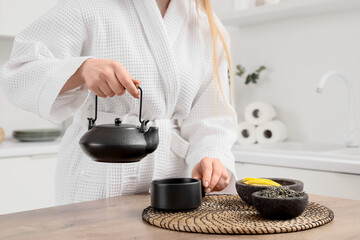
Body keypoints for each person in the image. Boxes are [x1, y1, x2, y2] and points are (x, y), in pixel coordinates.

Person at [0, 0, 238, 204]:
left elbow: (211, 116)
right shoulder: (89, 4)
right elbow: (17, 74)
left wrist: (210, 156)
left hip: (171, 182)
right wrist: (81, 70)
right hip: (97, 174)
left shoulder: (206, 24)